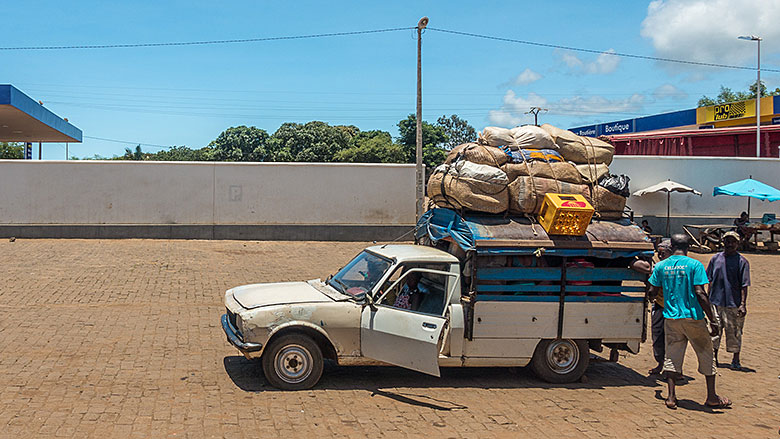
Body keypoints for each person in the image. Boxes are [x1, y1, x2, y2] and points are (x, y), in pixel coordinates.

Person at [648, 234, 731, 410]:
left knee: (672, 355)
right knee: (706, 353)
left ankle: (671, 397)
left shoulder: (661, 266)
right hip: (693, 317)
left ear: (671, 246)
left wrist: (654, 298)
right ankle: (711, 397)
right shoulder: (695, 265)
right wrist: (713, 320)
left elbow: (652, 291)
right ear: (689, 246)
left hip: (671, 318)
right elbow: (701, 293)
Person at [707, 231, 750, 370]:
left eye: (733, 242)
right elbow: (710, 280)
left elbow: (744, 285)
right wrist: (707, 300)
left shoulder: (742, 262)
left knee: (735, 332)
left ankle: (735, 360)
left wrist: (743, 304)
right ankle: (714, 358)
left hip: (734, 304)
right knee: (714, 331)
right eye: (727, 241)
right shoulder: (715, 259)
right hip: (715, 302)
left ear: (737, 244)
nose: (729, 244)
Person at [647, 239, 672, 375]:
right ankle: (660, 364)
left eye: (663, 253)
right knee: (658, 337)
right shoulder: (658, 267)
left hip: (672, 308)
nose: (660, 256)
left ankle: (673, 368)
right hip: (660, 305)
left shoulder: (671, 267)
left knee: (672, 340)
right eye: (659, 254)